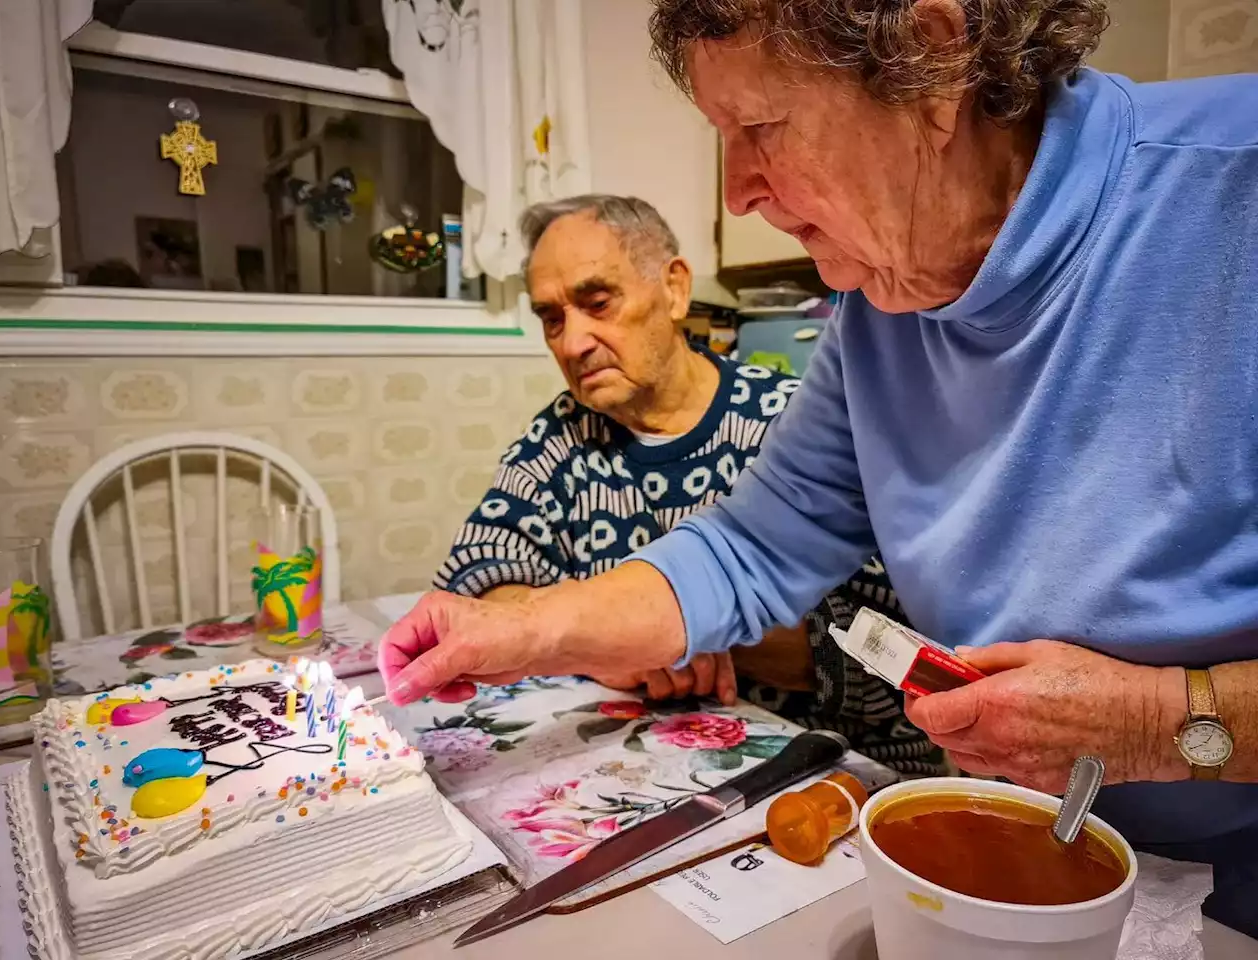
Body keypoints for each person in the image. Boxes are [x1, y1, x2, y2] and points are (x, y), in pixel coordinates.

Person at [379, 0, 1258, 935]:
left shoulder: (1232, 196)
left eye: (759, 128)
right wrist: (517, 631)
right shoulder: (878, 302)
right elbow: (752, 548)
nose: (737, 191)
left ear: (932, 61)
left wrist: (1161, 720)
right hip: (1011, 853)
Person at [434, 193, 942, 776]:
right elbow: (480, 582)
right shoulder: (562, 437)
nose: (572, 343)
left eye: (597, 302)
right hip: (643, 769)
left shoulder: (792, 422)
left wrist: (671, 628)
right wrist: (602, 647)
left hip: (842, 774)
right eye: (552, 318)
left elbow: (903, 658)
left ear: (674, 288)